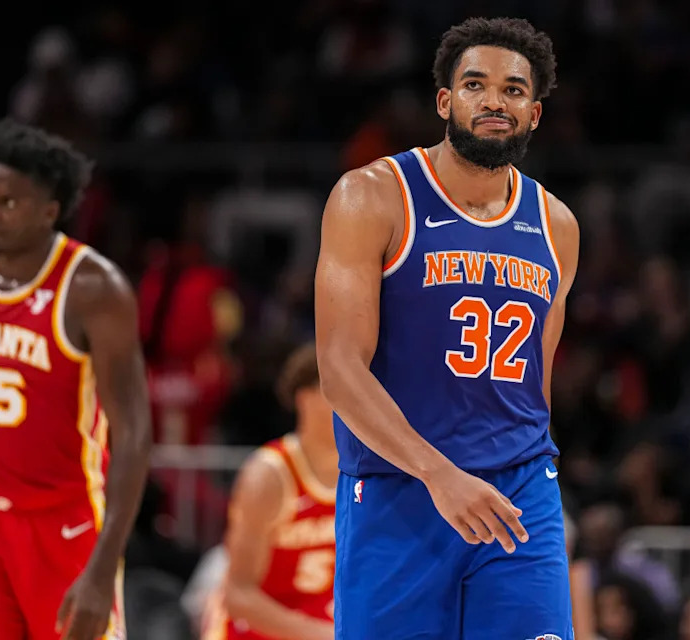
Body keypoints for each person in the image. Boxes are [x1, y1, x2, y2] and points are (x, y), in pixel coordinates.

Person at [315, 16, 580, 639]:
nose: (494, 100)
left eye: (514, 90)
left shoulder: (556, 224)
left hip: (516, 495)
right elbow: (339, 372)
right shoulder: (372, 197)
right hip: (399, 487)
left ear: (534, 113)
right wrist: (439, 474)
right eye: (475, 85)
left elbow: (535, 381)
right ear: (445, 101)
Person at [0, 119, 152, 640]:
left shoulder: (92, 289)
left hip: (62, 524)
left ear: (49, 211)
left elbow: (132, 435)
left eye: (7, 201)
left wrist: (103, 572)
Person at [205, 342, 337, 640]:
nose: (352, 402)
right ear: (304, 398)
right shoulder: (269, 475)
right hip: (257, 632)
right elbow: (238, 595)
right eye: (337, 391)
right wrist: (321, 635)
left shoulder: (364, 473)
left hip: (324, 624)